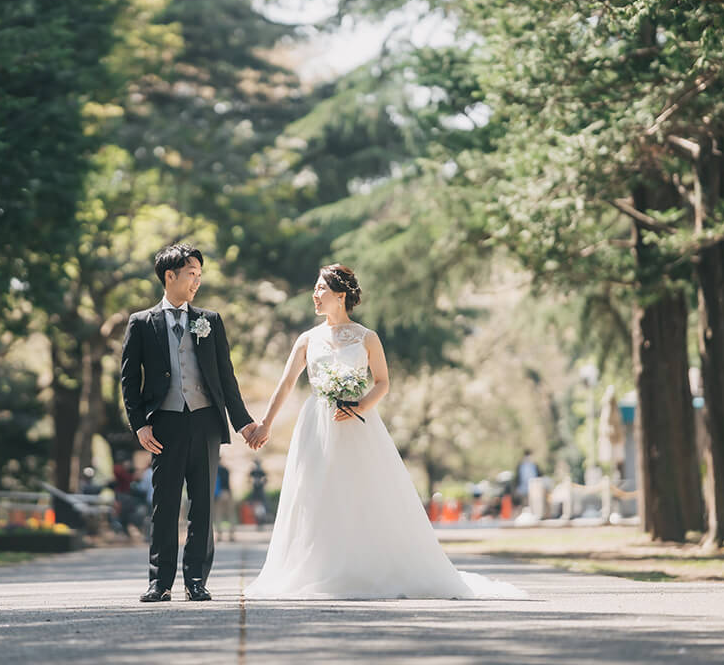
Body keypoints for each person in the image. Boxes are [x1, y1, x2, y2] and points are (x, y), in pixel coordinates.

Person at [244, 264, 523, 600]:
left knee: (362, 492)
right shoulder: (307, 340)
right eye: (315, 289)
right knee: (315, 494)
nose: (315, 295)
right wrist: (266, 424)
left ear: (341, 296)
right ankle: (317, 568)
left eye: (321, 289)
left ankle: (367, 567)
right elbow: (286, 384)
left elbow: (383, 383)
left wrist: (360, 406)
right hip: (316, 425)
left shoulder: (367, 338)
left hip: (358, 424)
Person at [121, 243, 262, 603]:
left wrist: (244, 423)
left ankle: (196, 580)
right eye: (191, 274)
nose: (197, 281)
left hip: (205, 423)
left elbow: (225, 378)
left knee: (203, 504)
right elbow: (128, 380)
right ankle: (160, 582)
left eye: (200, 275)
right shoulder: (140, 322)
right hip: (163, 425)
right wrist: (139, 424)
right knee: (165, 506)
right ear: (170, 276)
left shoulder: (210, 321)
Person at [214, 459, 235, 542]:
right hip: (227, 493)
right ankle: (231, 535)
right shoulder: (225, 469)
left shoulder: (214, 470)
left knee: (218, 515)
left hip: (218, 495)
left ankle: (219, 535)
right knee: (230, 515)